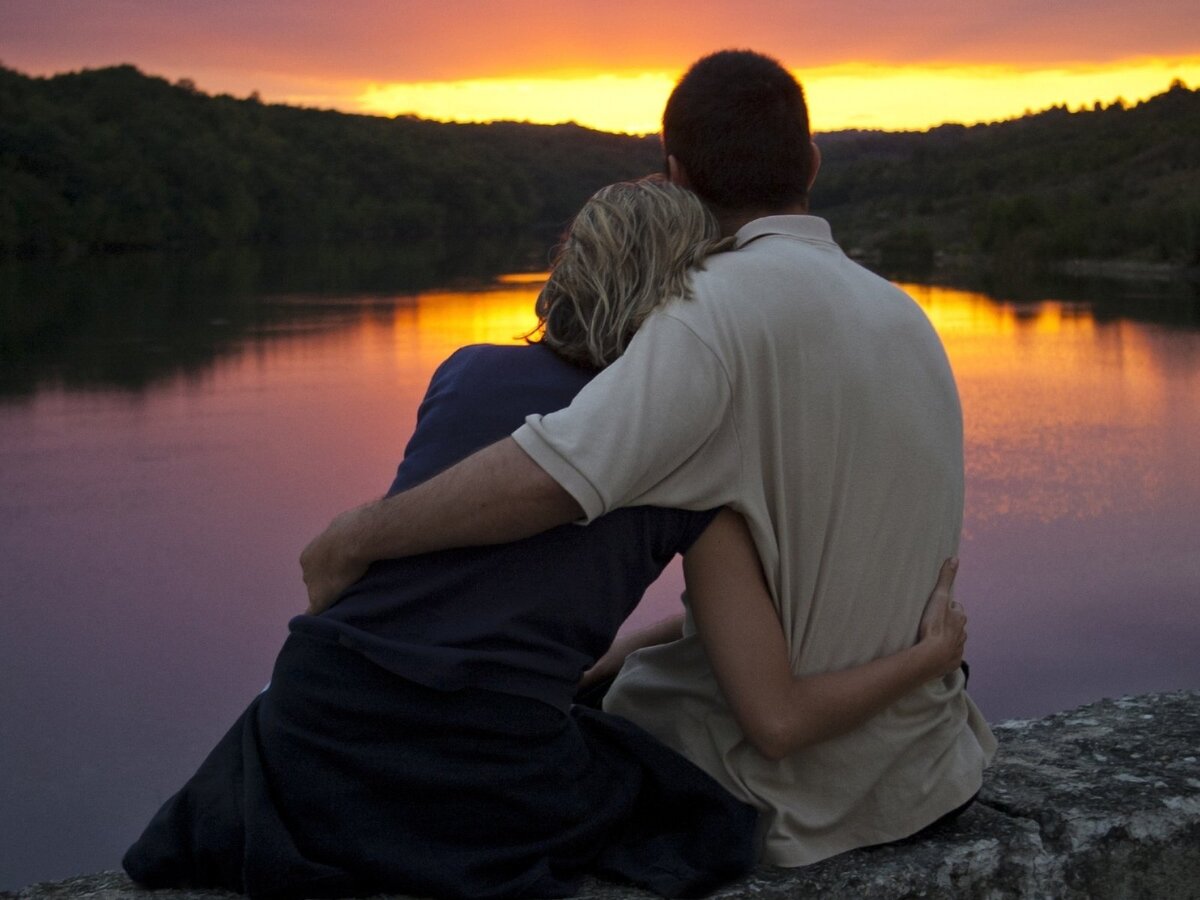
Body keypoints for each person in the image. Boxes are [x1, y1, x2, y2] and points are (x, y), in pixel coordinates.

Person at [123, 179, 970, 900]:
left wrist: (596, 665)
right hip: (474, 762)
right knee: (693, 811)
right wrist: (928, 657)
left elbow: (476, 590)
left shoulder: (463, 371)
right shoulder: (686, 452)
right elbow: (775, 716)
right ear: (689, 296)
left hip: (311, 721)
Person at [300, 50, 998, 866]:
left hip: (788, 797)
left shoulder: (709, 315)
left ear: (673, 173)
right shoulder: (906, 317)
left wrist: (355, 537)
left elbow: (553, 474)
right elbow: (793, 594)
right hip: (927, 771)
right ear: (810, 161)